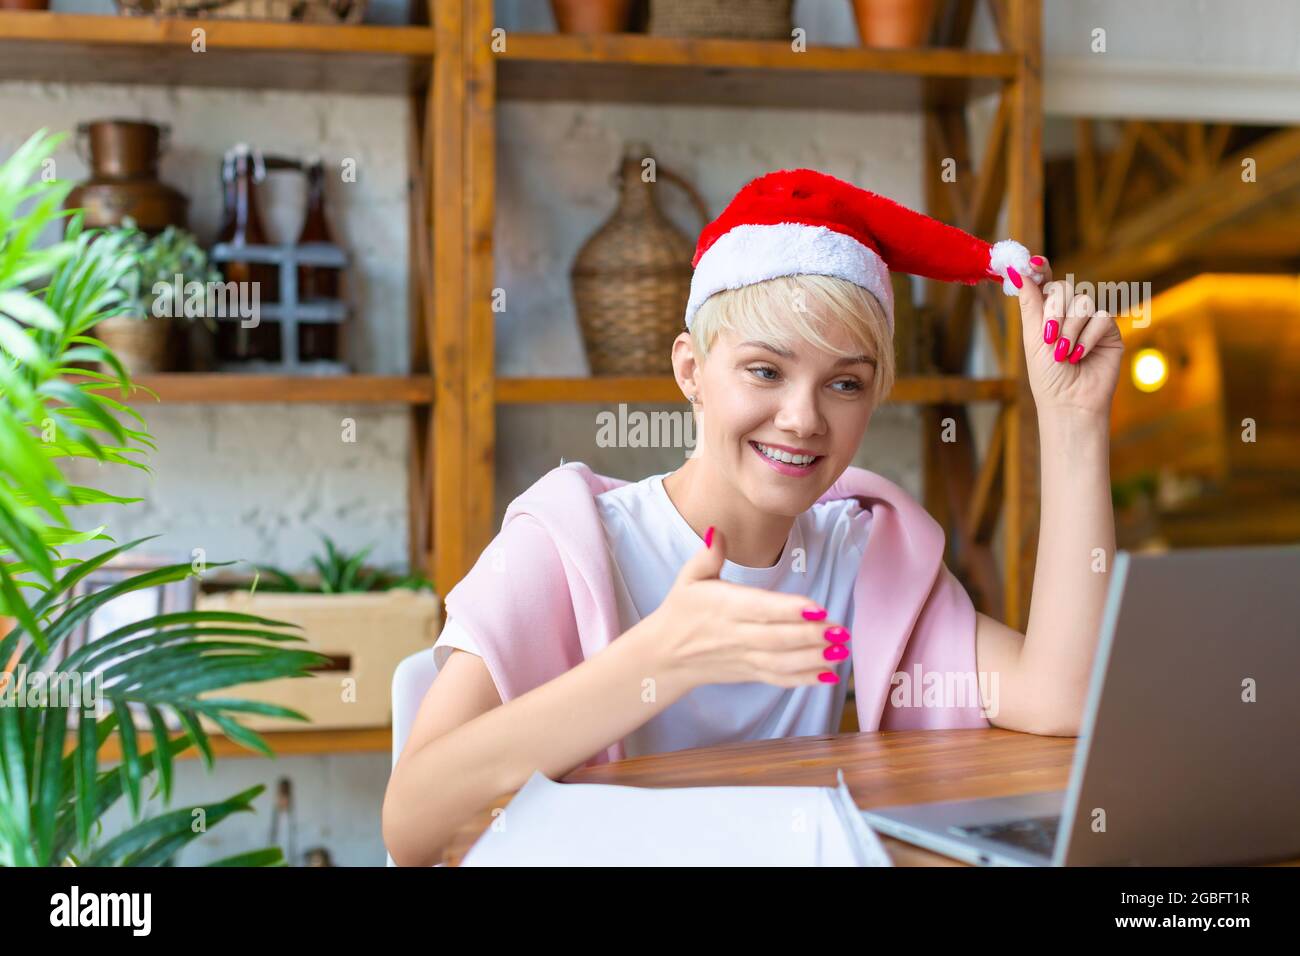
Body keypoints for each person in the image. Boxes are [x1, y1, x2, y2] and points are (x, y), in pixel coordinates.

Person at [383, 168, 1123, 867]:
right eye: (765, 371)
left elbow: (1062, 699)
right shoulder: (568, 543)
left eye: (844, 383)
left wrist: (1072, 421)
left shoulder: (861, 549)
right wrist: (658, 660)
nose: (802, 418)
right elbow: (411, 823)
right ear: (690, 371)